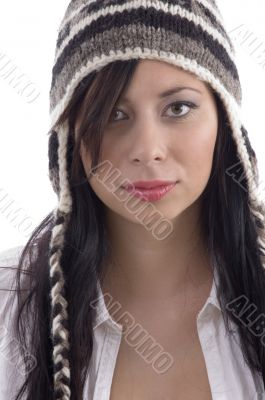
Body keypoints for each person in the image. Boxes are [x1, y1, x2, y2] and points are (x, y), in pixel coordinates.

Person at [1, 0, 265, 399]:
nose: (147, 149)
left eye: (178, 108)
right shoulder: (8, 306)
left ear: (225, 121)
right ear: (70, 137)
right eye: (114, 114)